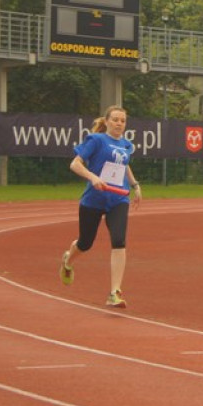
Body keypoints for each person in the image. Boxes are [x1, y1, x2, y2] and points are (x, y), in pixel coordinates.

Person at [58, 105, 142, 308]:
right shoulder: (96, 140)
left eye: (122, 120)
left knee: (119, 241)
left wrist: (135, 185)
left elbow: (125, 164)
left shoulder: (126, 145)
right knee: (86, 243)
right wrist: (93, 177)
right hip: (94, 200)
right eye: (115, 119)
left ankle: (114, 292)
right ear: (107, 121)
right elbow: (75, 164)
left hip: (118, 200)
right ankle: (68, 260)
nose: (119, 123)